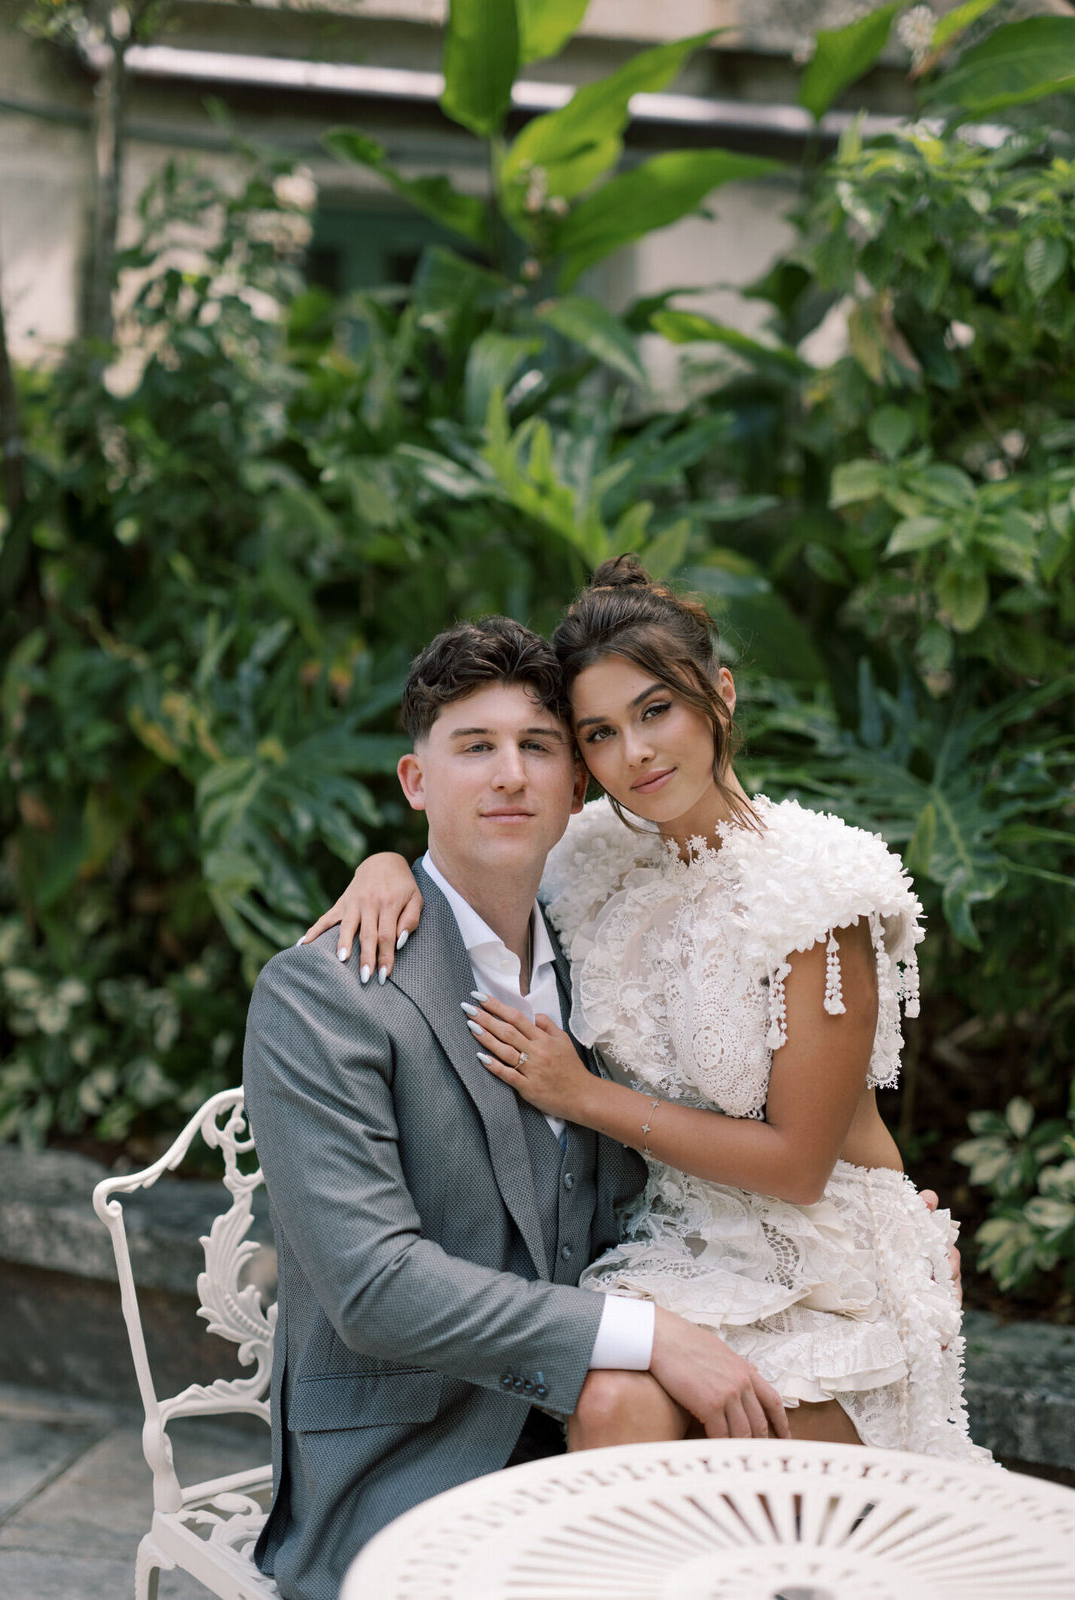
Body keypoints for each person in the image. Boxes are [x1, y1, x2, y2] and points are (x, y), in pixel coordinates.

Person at [307, 557, 990, 1463]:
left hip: (830, 1263)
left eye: (655, 711)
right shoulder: (592, 864)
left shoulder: (817, 896)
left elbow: (797, 1166)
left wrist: (581, 1096)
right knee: (615, 1405)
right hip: (677, 1250)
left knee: (708, 1462)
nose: (635, 753)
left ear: (722, 696)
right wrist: (385, 868)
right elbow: (475, 849)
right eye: (598, 732)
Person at [243, 615, 789, 1600]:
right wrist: (646, 1334)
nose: (510, 775)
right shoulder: (324, 992)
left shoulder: (606, 957)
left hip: (602, 1428)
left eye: (538, 747)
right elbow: (375, 1286)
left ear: (575, 788)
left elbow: (691, 1153)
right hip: (406, 1461)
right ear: (417, 784)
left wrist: (872, 1214)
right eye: (475, 747)